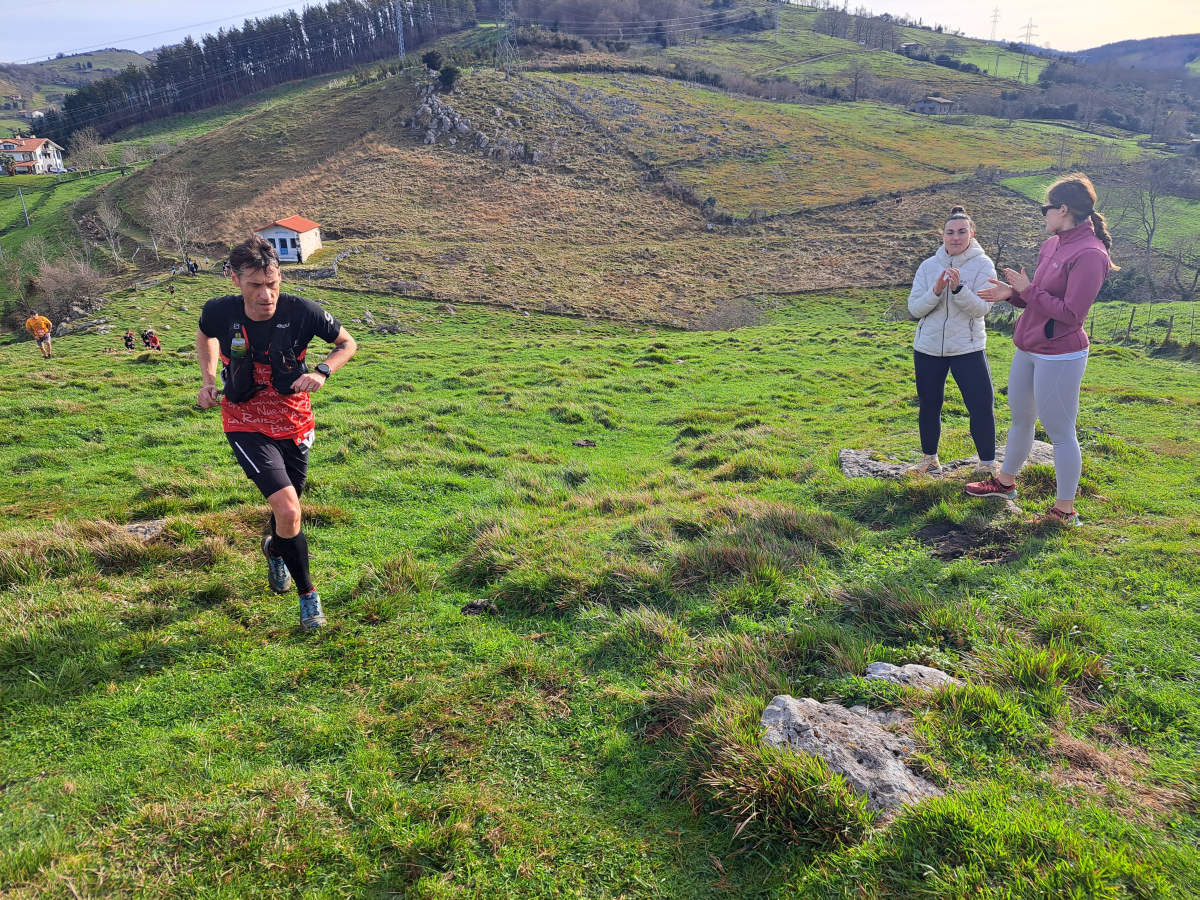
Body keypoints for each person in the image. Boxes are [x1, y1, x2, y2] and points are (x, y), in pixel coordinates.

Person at [196, 234, 357, 630]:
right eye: (255, 285)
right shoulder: (220, 311)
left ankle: (274, 549)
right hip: (244, 419)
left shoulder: (302, 311)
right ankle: (309, 598)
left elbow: (347, 343)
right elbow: (206, 335)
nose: (266, 294)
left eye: (272, 283)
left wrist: (323, 371)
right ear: (234, 280)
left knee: (288, 516)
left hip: (294, 419)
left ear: (279, 276)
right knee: (288, 509)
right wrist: (207, 378)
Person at [967, 173, 1116, 527]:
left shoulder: (1092, 254)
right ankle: (1005, 483)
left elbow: (1071, 314)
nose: (1043, 214)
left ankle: (1065, 510)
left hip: (1061, 354)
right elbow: (1040, 300)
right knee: (1021, 418)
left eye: (1045, 208)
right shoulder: (1052, 245)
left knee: (1060, 431)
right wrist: (1014, 294)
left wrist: (1028, 290)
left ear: (1063, 209)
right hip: (1029, 346)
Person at [905, 205, 998, 474]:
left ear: (972, 233)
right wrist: (935, 291)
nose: (955, 237)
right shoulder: (928, 266)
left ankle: (987, 465)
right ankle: (929, 459)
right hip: (928, 348)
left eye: (961, 232)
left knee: (980, 404)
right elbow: (915, 309)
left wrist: (958, 289)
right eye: (950, 232)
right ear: (942, 235)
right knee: (929, 404)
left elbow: (982, 308)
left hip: (967, 347)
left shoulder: (983, 264)